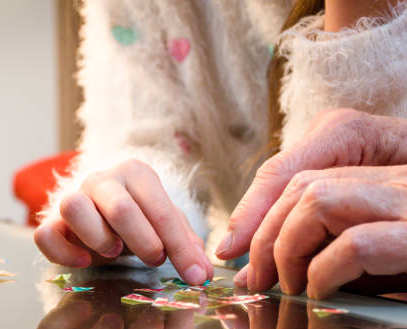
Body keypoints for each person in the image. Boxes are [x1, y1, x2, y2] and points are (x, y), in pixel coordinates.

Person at [35, 0, 407, 298]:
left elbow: (354, 229)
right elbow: (142, 139)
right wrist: (130, 214)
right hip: (262, 327)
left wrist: (363, 13)